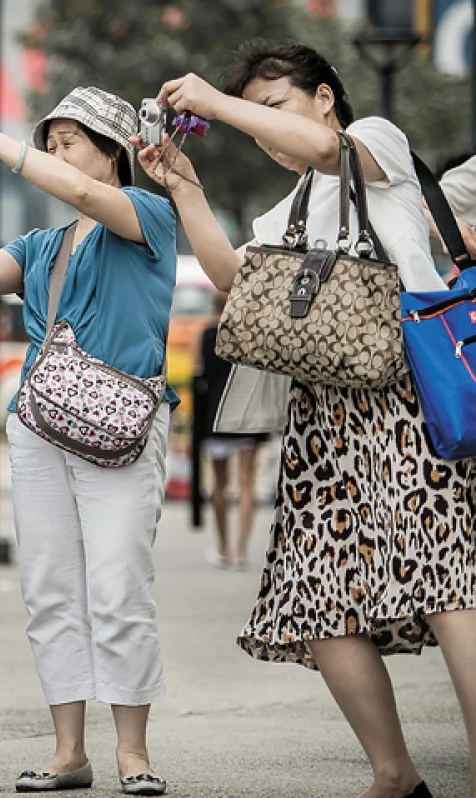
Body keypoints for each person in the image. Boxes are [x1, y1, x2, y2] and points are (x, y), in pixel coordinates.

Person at [138, 40, 476, 798]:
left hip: (403, 399)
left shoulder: (371, 142)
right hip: (321, 418)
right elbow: (235, 281)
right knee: (319, 598)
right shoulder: (283, 208)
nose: (263, 130)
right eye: (253, 118)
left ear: (325, 97)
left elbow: (325, 148)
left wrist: (217, 103)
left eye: (274, 110)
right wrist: (184, 188)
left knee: (449, 587)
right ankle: (394, 775)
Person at [0, 86, 178, 795]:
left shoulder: (146, 215)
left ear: (113, 150)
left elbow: (84, 195)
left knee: (120, 585)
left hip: (123, 426)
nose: (56, 155)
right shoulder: (43, 244)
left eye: (69, 142)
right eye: (51, 142)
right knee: (50, 590)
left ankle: (133, 751)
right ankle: (69, 751)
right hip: (41, 427)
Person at [196, 292, 264, 571]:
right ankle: (240, 552)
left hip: (218, 415)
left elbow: (199, 373)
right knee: (247, 483)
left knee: (219, 485)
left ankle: (223, 547)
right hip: (247, 413)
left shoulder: (207, 334)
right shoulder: (250, 333)